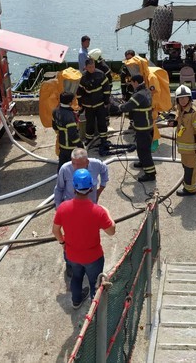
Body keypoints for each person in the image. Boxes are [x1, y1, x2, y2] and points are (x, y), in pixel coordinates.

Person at [53, 169, 116, 309]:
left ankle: (76, 301)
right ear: (92, 187)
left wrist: (63, 242)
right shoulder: (98, 211)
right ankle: (95, 311)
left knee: (76, 277)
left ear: (74, 187)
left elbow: (55, 230)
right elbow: (111, 231)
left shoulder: (63, 208)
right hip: (93, 256)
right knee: (95, 282)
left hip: (72, 254)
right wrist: (108, 212)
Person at [118, 74, 156, 182]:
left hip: (142, 127)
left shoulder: (139, 95)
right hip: (147, 125)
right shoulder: (147, 91)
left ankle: (150, 173)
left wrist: (119, 106)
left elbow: (126, 107)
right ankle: (143, 163)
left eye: (132, 83)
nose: (131, 85)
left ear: (135, 82)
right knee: (142, 147)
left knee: (143, 150)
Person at [170, 85, 196, 196]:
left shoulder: (194, 113)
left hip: (192, 148)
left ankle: (190, 189)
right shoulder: (181, 109)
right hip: (184, 147)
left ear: (189, 98)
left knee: (189, 169)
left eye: (185, 98)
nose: (183, 100)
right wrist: (175, 122)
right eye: (180, 98)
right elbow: (179, 118)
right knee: (188, 166)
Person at [77, 57, 111, 145]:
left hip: (100, 103)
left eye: (93, 66)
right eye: (89, 67)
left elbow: (106, 88)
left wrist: (106, 101)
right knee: (89, 123)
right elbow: (80, 91)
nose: (92, 69)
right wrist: (80, 103)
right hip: (88, 105)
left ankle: (103, 138)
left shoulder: (100, 74)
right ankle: (89, 138)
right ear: (86, 67)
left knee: (102, 122)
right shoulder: (83, 77)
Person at [52, 91, 83, 170]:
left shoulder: (55, 111)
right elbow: (72, 135)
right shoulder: (69, 116)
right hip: (70, 147)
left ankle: (60, 180)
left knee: (62, 167)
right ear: (70, 102)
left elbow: (54, 126)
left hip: (61, 144)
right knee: (73, 168)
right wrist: (80, 145)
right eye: (73, 100)